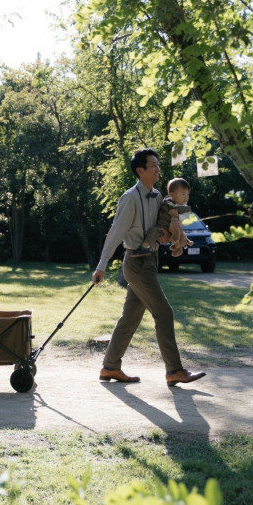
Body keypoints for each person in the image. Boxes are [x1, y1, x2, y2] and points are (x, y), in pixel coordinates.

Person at [91, 148, 205, 387]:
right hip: (137, 262)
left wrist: (164, 235)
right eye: (152, 165)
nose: (158, 169)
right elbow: (115, 233)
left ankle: (110, 367)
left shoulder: (158, 196)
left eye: (158, 165)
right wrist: (101, 267)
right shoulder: (130, 197)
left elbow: (159, 227)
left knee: (130, 318)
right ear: (140, 170)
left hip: (150, 260)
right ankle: (174, 370)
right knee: (164, 313)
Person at [132, 177, 194, 258]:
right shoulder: (166, 201)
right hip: (161, 227)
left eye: (187, 194)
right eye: (183, 194)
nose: (186, 197)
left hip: (174, 230)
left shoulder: (185, 208)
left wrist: (177, 216)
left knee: (180, 237)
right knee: (153, 231)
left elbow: (187, 219)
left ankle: (179, 248)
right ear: (172, 194)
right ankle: (145, 247)